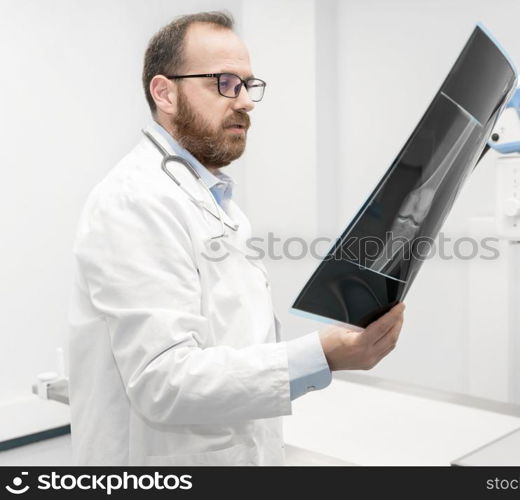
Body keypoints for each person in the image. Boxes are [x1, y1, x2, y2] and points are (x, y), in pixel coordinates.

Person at [68, 11, 405, 466]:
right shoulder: (134, 201)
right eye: (225, 83)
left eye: (248, 85)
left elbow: (234, 344)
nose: (245, 101)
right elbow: (163, 382)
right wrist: (321, 356)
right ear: (164, 92)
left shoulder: (212, 198)